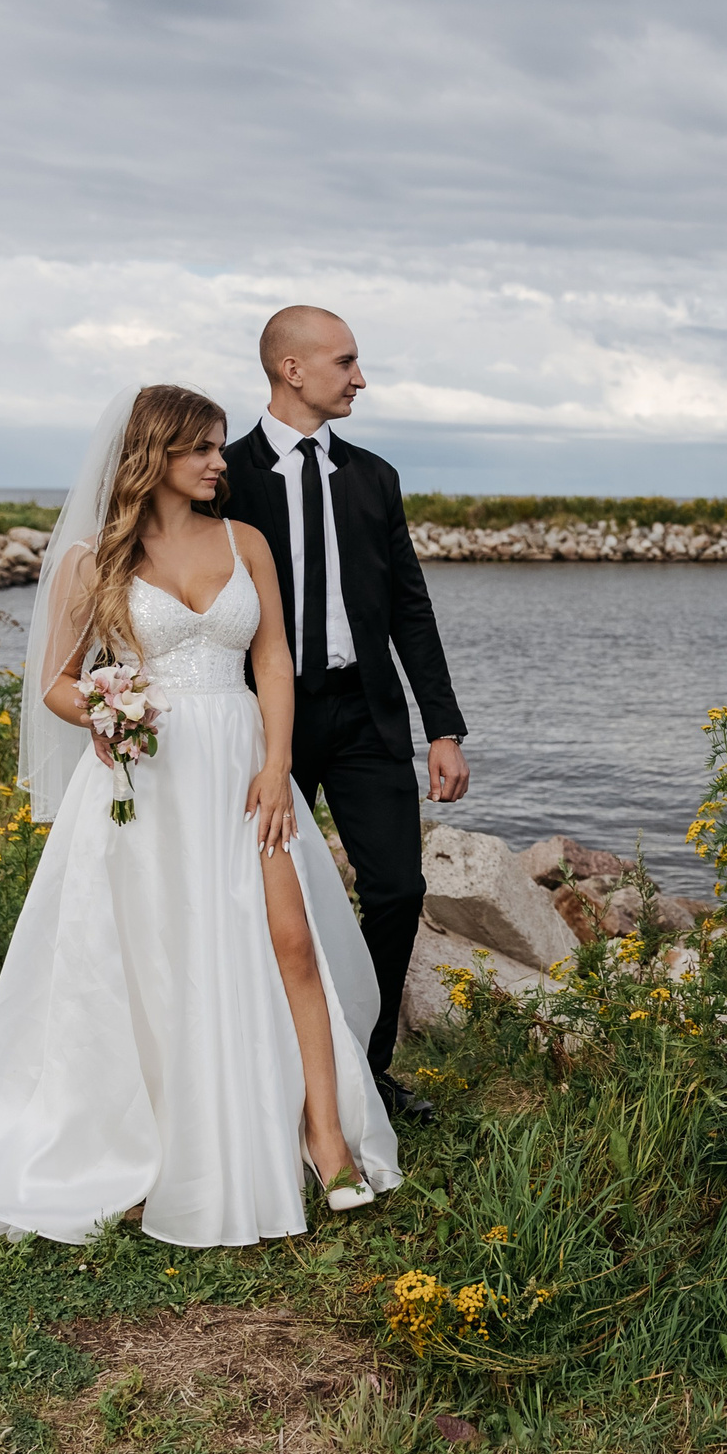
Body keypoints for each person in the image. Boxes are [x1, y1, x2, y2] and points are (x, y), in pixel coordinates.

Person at [0, 384, 397, 1267]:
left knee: (291, 946)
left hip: (241, 772)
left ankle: (327, 1139)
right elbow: (56, 682)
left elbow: (273, 659)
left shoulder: (248, 543)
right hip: (145, 784)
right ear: (152, 457)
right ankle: (161, 1140)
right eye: (199, 449)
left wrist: (277, 768)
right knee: (157, 965)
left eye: (219, 447)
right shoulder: (94, 561)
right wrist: (112, 713)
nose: (216, 463)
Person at [220, 305, 469, 1124]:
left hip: (364, 713)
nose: (360, 378)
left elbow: (410, 607)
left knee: (397, 891)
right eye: (345, 362)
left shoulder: (375, 477)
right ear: (292, 370)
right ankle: (262, 1069)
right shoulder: (220, 476)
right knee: (248, 897)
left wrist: (443, 727)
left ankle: (367, 1070)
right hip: (259, 722)